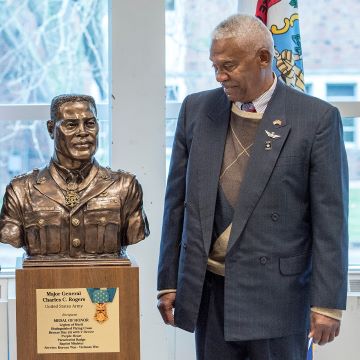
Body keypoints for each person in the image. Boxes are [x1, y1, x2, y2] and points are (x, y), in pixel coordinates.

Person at [157, 14, 348, 360]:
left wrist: (328, 303)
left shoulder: (316, 119)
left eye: (228, 66)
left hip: (279, 299)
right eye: (215, 66)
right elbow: (176, 203)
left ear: (263, 58)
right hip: (209, 293)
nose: (219, 76)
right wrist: (169, 281)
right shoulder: (196, 110)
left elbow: (331, 219)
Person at [0, 94, 149, 263]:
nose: (83, 132)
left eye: (90, 123)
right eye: (71, 124)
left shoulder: (125, 187)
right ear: (51, 129)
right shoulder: (21, 191)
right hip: (43, 285)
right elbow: (10, 235)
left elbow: (135, 233)